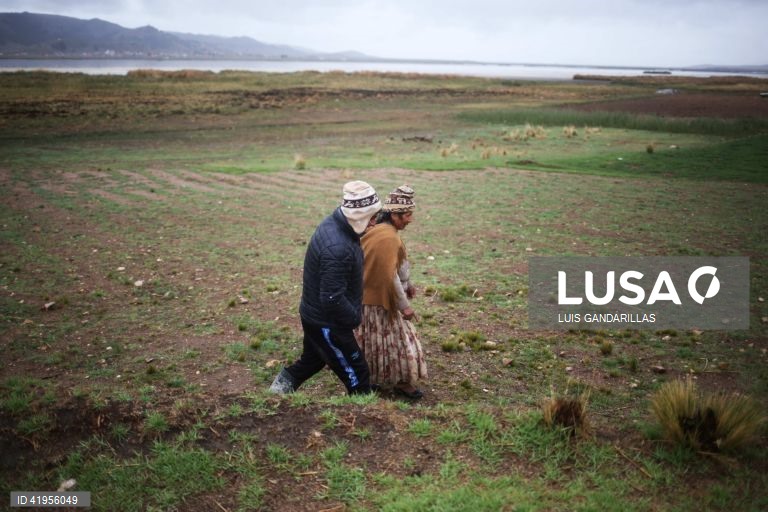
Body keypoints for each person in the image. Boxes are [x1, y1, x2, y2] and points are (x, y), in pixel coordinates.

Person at [269, 181, 382, 395]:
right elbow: (332, 298)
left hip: (313, 315)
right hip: (327, 323)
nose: (375, 223)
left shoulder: (336, 223)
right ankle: (363, 408)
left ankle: (277, 393)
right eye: (372, 217)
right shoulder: (338, 247)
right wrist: (353, 318)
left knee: (312, 360)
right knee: (358, 373)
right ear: (359, 216)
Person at [355, 185, 427, 399]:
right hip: (380, 302)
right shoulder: (388, 237)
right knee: (401, 344)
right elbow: (389, 277)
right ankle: (403, 383)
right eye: (407, 215)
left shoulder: (379, 230)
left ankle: (373, 378)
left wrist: (408, 283)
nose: (410, 219)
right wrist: (405, 306)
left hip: (367, 298)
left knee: (375, 342)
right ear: (394, 215)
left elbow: (395, 265)